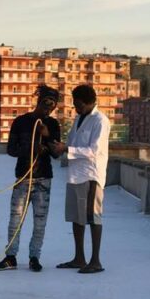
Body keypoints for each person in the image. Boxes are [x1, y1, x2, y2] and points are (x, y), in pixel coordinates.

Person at [0, 84, 62, 272]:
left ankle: (34, 257)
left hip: (43, 179)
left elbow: (57, 154)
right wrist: (31, 149)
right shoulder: (21, 121)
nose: (48, 108)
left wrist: (47, 138)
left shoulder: (54, 125)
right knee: (15, 219)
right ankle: (10, 257)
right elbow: (11, 149)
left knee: (40, 221)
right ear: (38, 102)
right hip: (23, 177)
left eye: (52, 106)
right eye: (45, 104)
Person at [50, 84, 110, 274]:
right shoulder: (78, 118)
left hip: (91, 176)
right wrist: (60, 146)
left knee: (93, 218)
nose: (76, 108)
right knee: (77, 218)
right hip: (75, 175)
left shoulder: (100, 120)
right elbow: (72, 144)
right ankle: (79, 257)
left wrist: (67, 149)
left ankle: (95, 261)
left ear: (90, 102)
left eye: (79, 104)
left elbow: (94, 150)